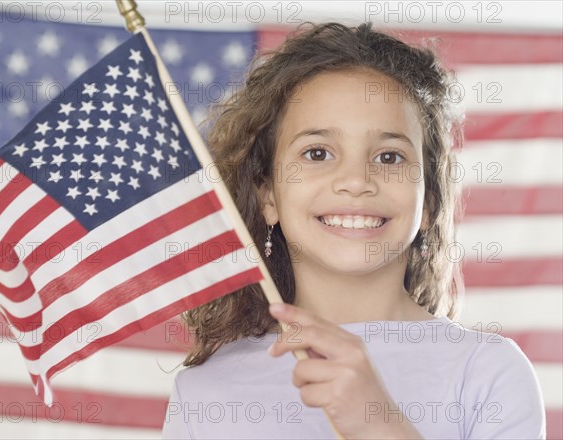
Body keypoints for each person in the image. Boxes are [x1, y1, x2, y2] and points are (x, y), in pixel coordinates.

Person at [161, 22, 545, 439]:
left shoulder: (487, 372)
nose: (356, 180)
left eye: (389, 156)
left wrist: (377, 423)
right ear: (268, 195)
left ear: (429, 201)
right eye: (318, 152)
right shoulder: (203, 393)